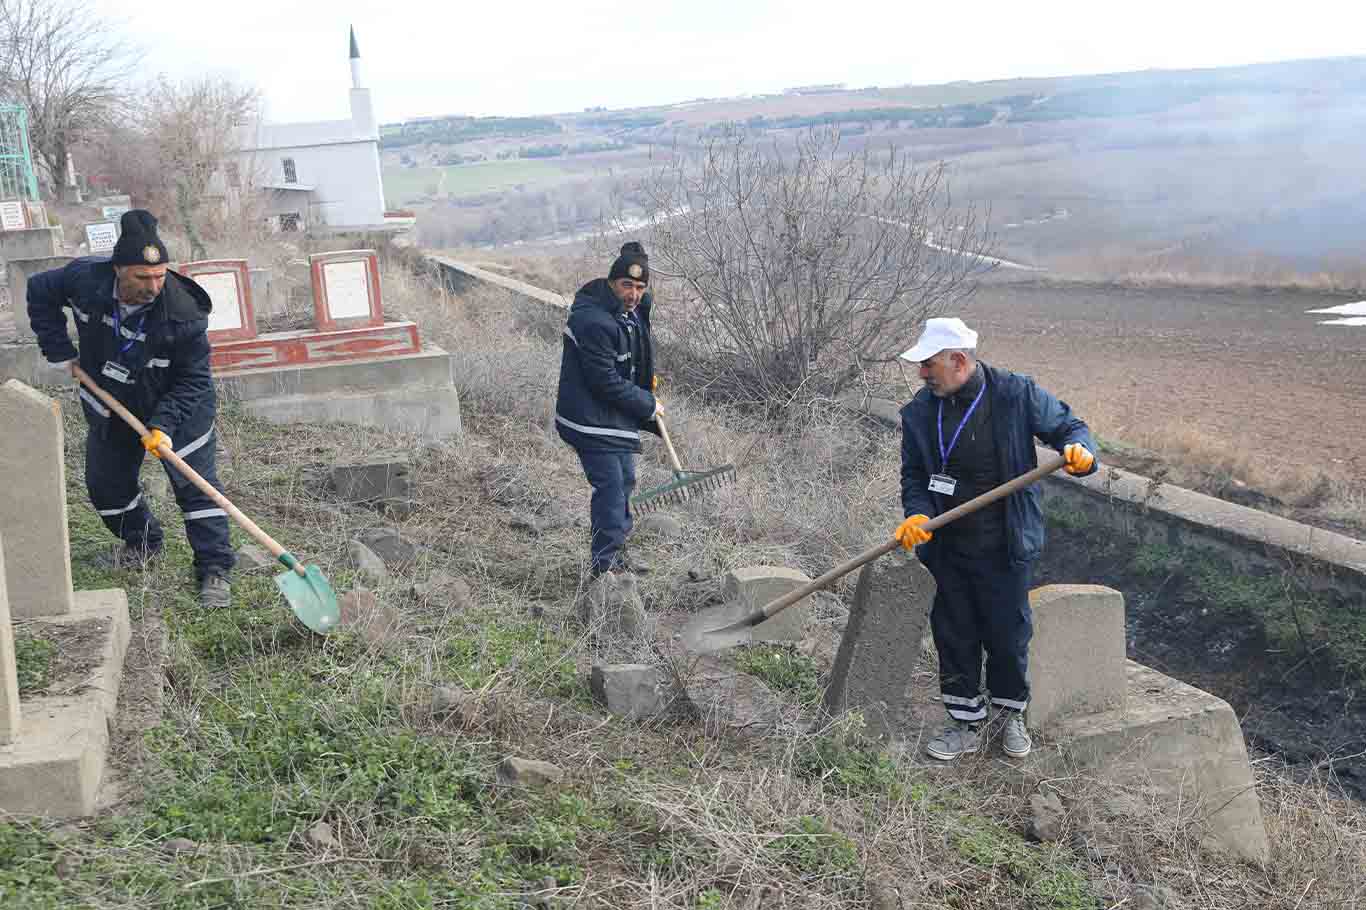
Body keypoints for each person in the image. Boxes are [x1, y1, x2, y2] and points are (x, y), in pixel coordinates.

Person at [894, 317, 1097, 760]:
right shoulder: (920, 412)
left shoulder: (1015, 394)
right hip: (946, 545)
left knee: (1007, 636)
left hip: (1005, 543)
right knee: (954, 634)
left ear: (959, 360)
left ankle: (1010, 718)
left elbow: (1071, 429)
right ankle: (964, 723)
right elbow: (913, 474)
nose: (922, 374)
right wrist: (917, 513)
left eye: (928, 365)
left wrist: (1082, 454)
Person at [27, 209, 236, 608]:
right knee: (106, 486)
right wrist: (58, 350)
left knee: (196, 489)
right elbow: (39, 290)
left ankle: (214, 568)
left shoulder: (183, 314)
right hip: (111, 402)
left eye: (159, 276)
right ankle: (142, 544)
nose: (154, 286)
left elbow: (193, 381)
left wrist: (162, 425)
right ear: (118, 269)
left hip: (180, 412)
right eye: (143, 277)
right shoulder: (85, 280)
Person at [554, 241, 662, 578]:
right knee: (612, 487)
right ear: (612, 282)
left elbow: (632, 356)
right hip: (589, 419)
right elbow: (604, 381)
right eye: (626, 285)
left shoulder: (631, 311)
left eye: (640, 287)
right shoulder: (593, 321)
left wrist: (647, 385)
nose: (633, 294)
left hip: (612, 415)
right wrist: (646, 404)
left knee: (625, 480)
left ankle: (616, 551)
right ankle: (604, 569)